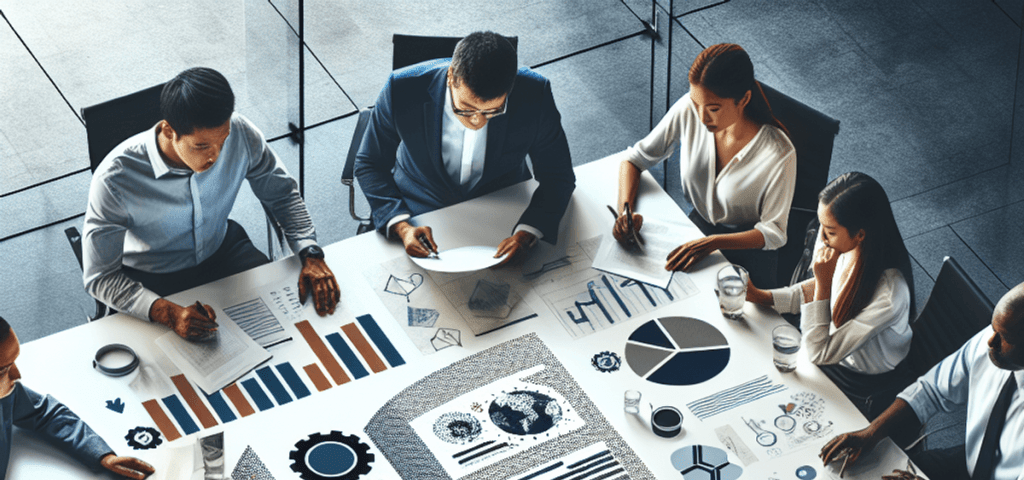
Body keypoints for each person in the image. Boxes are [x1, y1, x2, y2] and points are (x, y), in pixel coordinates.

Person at [82, 67, 340, 341]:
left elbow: (283, 194)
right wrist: (167, 313)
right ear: (169, 131)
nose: (215, 156)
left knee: (292, 332)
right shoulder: (115, 180)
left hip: (222, 250)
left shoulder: (240, 131)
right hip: (152, 276)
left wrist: (310, 253)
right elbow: (101, 277)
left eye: (223, 141)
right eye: (202, 146)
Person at [820, 281, 1024, 480]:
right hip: (973, 465)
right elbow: (931, 390)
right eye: (994, 329)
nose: (990, 341)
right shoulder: (991, 343)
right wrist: (872, 431)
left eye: (1004, 337)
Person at [355, 31, 576, 264]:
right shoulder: (401, 87)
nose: (477, 121)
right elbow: (370, 162)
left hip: (504, 209)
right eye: (466, 109)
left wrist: (528, 232)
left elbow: (558, 176)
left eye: (493, 111)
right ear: (451, 76)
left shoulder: (535, 93)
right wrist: (401, 226)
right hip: (419, 209)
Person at [614, 43, 795, 281]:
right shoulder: (689, 109)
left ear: (743, 99)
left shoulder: (779, 153)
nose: (701, 117)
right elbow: (633, 159)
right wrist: (624, 213)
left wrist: (712, 243)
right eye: (696, 104)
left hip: (749, 253)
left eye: (713, 108)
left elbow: (774, 233)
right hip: (697, 232)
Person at [747, 172, 916, 417]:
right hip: (831, 351)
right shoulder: (847, 246)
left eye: (830, 231)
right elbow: (817, 289)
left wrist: (824, 283)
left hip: (862, 382)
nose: (822, 239)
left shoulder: (889, 295)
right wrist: (761, 297)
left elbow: (817, 352)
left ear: (860, 234)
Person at [0, 316, 153, 480]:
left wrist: (102, 455)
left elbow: (44, 412)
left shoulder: (5, 391)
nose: (17, 375)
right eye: (2, 370)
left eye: (13, 363)